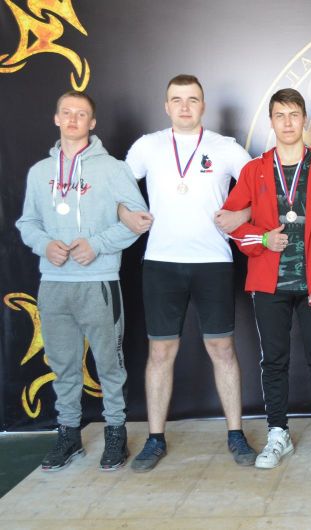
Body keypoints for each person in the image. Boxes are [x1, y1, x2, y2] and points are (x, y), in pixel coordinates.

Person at [119, 74, 256, 472]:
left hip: (214, 261)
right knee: (161, 352)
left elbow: (264, 190)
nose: (184, 106)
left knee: (223, 349)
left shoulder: (224, 147)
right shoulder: (147, 146)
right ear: (166, 106)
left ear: (203, 106)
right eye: (176, 100)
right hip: (161, 263)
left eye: (192, 99)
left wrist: (242, 215)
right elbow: (115, 190)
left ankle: (235, 434)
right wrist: (125, 214)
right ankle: (155, 438)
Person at [17, 90, 148, 471]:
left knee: (109, 364)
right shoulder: (40, 172)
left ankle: (116, 431)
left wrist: (98, 244)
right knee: (63, 365)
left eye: (81, 114)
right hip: (53, 283)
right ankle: (69, 434)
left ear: (92, 123)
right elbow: (28, 222)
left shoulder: (113, 169)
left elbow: (139, 219)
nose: (73, 119)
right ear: (56, 118)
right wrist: (44, 245)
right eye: (67, 112)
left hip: (98, 281)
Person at [222, 88, 311, 469]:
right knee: (273, 361)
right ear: (271, 121)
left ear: (304, 119)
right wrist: (264, 239)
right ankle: (277, 432)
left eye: (294, 115)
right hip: (269, 283)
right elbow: (231, 223)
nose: (288, 122)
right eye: (280, 115)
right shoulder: (255, 170)